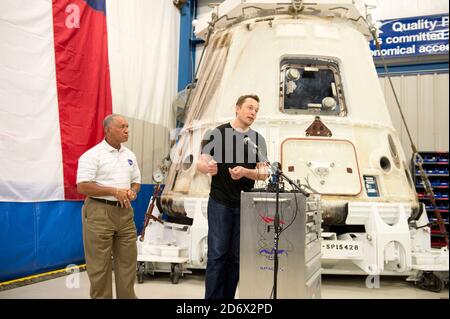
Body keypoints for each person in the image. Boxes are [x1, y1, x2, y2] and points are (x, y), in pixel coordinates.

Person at [197, 95, 269, 299]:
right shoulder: (217, 134)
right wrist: (208, 167)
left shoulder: (258, 140)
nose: (253, 112)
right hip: (220, 203)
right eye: (249, 108)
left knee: (236, 258)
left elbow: (264, 173)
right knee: (218, 255)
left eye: (256, 110)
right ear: (237, 108)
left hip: (246, 205)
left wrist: (246, 172)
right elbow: (201, 164)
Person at [76, 114, 141, 299]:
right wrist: (114, 191)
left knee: (128, 263)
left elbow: (136, 181)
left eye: (127, 126)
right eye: (122, 126)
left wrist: (133, 192)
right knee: (99, 267)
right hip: (99, 212)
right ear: (108, 130)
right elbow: (82, 186)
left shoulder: (130, 155)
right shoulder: (92, 155)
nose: (127, 130)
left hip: (125, 212)